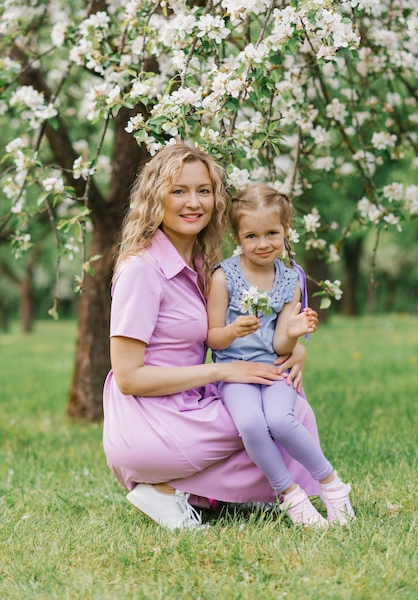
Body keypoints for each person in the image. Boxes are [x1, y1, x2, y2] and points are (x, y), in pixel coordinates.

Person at [103, 143, 328, 532]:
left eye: (203, 190)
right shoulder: (142, 269)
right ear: (155, 197)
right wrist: (222, 374)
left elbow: (242, 334)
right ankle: (162, 484)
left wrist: (295, 351)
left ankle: (188, 492)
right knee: (282, 417)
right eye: (179, 191)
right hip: (149, 417)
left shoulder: (204, 265)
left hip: (187, 402)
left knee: (280, 401)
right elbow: (128, 378)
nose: (194, 202)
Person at [207, 184, 355, 527]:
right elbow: (213, 337)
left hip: (274, 368)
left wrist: (294, 331)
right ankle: (290, 495)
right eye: (252, 235)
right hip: (235, 370)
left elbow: (280, 347)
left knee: (280, 420)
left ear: (286, 231)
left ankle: (333, 486)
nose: (263, 243)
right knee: (251, 424)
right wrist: (234, 331)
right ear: (237, 237)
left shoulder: (290, 281)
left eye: (272, 233)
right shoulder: (223, 277)